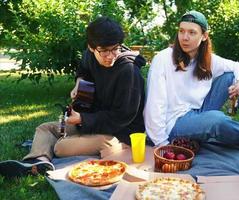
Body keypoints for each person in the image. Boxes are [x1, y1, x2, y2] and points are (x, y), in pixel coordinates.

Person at [0, 16, 146, 178]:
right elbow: (84, 68)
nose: (110, 56)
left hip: (120, 132)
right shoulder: (90, 55)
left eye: (115, 49)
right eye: (104, 51)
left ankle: (111, 146)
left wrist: (82, 119)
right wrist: (80, 82)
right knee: (45, 128)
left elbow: (122, 116)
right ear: (91, 47)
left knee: (60, 147)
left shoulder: (129, 71)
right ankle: (39, 161)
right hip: (92, 120)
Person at [144, 10, 239, 148]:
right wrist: (161, 142)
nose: (185, 37)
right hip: (174, 123)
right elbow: (154, 106)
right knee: (216, 119)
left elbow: (238, 67)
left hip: (200, 111)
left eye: (192, 32)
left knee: (230, 77)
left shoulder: (208, 60)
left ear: (204, 36)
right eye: (181, 31)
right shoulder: (162, 59)